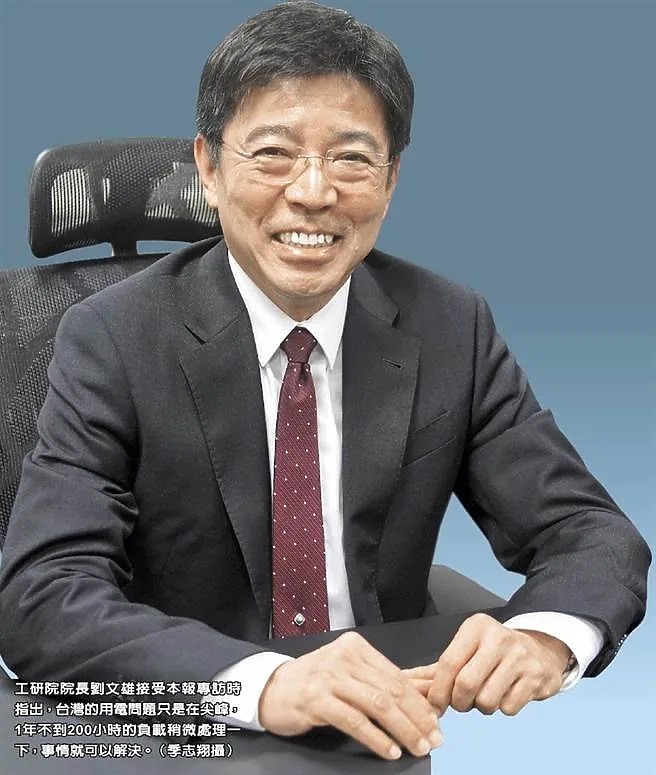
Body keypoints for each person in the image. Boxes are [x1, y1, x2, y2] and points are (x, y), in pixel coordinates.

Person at [0, 0, 649, 762]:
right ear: (208, 167)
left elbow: (590, 531)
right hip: (188, 730)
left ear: (392, 178)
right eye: (273, 153)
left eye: (351, 158)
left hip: (376, 725)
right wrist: (268, 683)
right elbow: (43, 592)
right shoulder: (112, 337)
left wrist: (545, 635)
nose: (313, 191)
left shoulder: (450, 324)